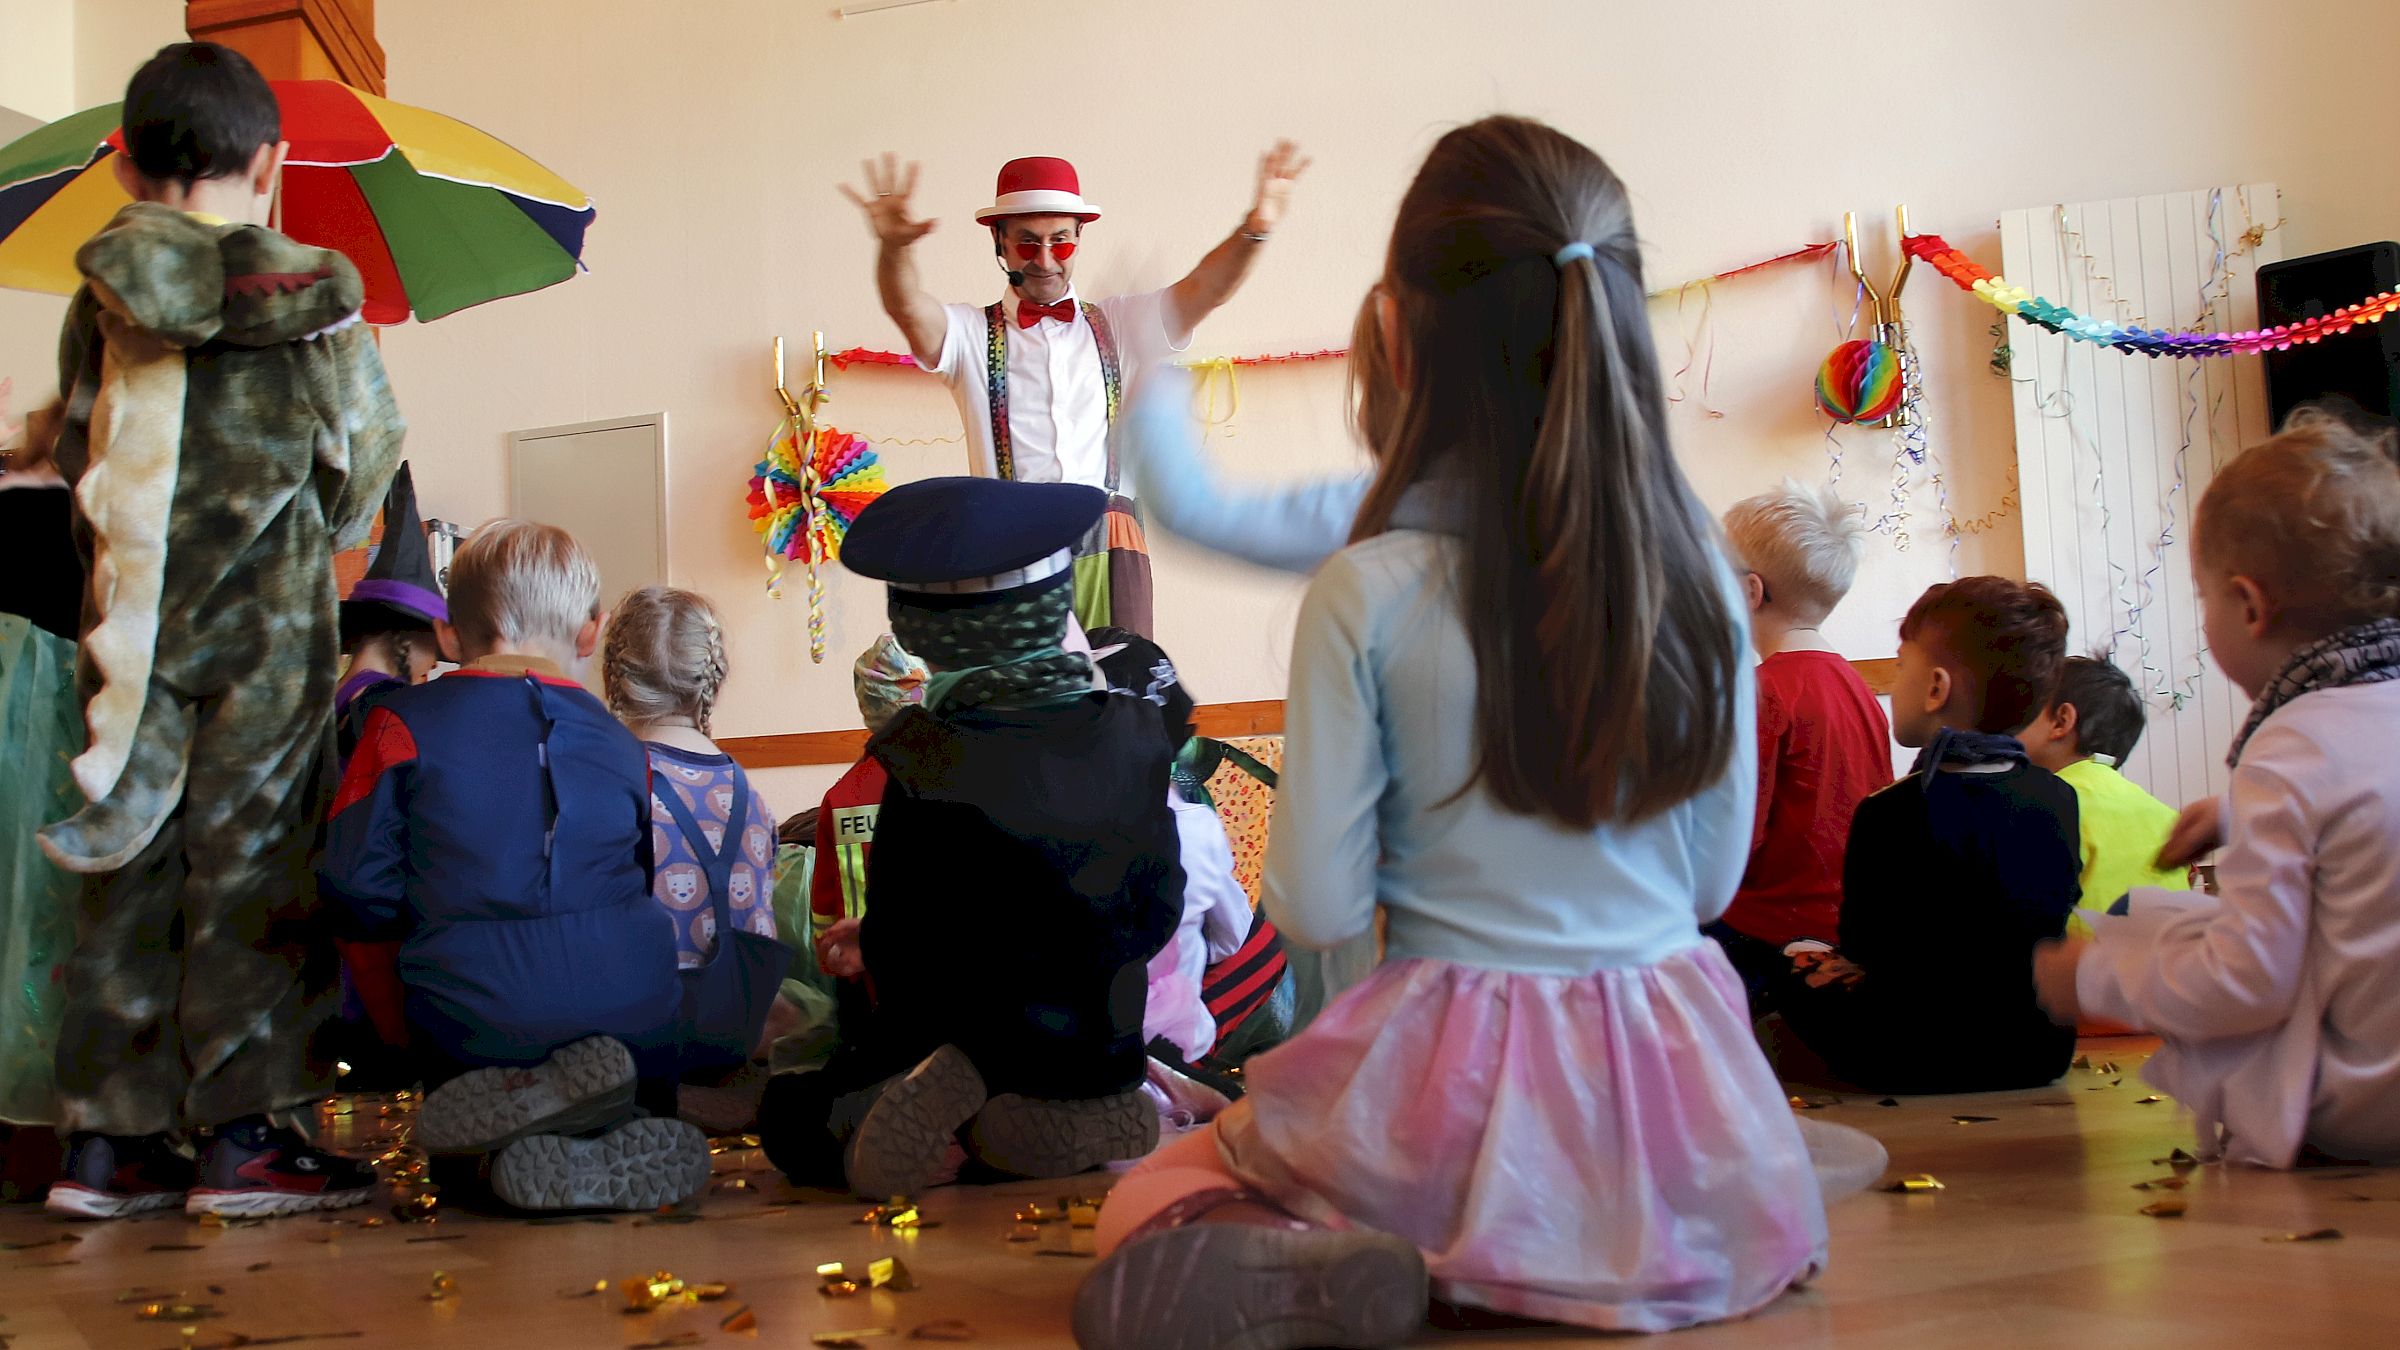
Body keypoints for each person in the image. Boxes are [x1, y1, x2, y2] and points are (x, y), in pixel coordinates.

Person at [1077, 117, 1865, 1347]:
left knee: (1153, 1199)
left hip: (1449, 1065)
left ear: (1393, 333)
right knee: (1733, 1170)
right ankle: (1678, 1215)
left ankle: (1371, 1255)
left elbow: (1322, 911)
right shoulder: (1712, 581)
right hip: (1667, 1062)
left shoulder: (1368, 589)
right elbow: (1709, 884)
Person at [40, 42, 405, 1221]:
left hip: (133, 627)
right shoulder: (316, 300)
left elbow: (74, 448)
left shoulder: (98, 295)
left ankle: (106, 1146)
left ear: (125, 169)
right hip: (265, 629)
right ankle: (246, 1139)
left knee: (130, 859)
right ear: (272, 161)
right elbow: (365, 469)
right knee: (254, 860)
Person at [757, 477, 1184, 1200]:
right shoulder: (1141, 735)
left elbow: (909, 950)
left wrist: (875, 939)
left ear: (923, 632)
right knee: (1047, 1051)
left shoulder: (925, 753)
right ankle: (1086, 1106)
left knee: (789, 1114)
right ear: (1056, 609)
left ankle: (963, 1109)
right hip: (1100, 1035)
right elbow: (1159, 905)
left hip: (973, 1033)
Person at [2036, 411, 2400, 1167]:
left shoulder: (2290, 743)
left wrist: (2094, 976)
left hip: (2364, 1106)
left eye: (2202, 599)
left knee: (2152, 926)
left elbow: (2249, 983)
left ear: (2249, 604)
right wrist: (2239, 813)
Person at [318, 521, 707, 1212]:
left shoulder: (397, 724)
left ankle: (491, 1159)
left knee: (460, 1124)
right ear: (592, 634)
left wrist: (391, 1034)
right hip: (631, 1019)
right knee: (615, 995)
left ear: (446, 634)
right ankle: (615, 1121)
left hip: (473, 1020)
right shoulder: (623, 746)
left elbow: (355, 887)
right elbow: (643, 881)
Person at [841, 144, 1309, 634]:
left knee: (1122, 697)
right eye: (1027, 242)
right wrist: (894, 250)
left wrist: (1255, 229)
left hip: (1111, 542)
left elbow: (1204, 290)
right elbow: (909, 308)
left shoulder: (1124, 324)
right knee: (1027, 700)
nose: (1045, 259)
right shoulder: (968, 335)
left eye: (1060, 242)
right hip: (1010, 547)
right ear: (999, 243)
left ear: (1079, 239)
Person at [1773, 576, 2081, 1095]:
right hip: (2038, 1050)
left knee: (1792, 956)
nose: (1895, 682)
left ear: (1936, 688)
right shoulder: (2059, 797)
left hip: (1906, 1054)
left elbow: (1861, 947)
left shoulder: (1887, 810)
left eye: (1899, 665)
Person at [1708, 480, 1893, 1001]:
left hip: (1768, 927)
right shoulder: (1856, 686)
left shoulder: (1765, 692)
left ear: (1749, 592)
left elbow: (1737, 838)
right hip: (1848, 919)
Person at [1085, 627, 1254, 1070]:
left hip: (1062, 1059)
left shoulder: (1036, 818)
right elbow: (1234, 935)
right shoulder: (1195, 828)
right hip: (1175, 1050)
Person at [2020, 655, 2189, 934]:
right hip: (2165, 970)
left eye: (2023, 710)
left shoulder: (2040, 806)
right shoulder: (2165, 815)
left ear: (2061, 721)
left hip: (2078, 971)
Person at [335, 463, 455, 761]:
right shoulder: (386, 703)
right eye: (433, 643)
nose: (433, 663)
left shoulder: (336, 694)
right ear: (405, 635)